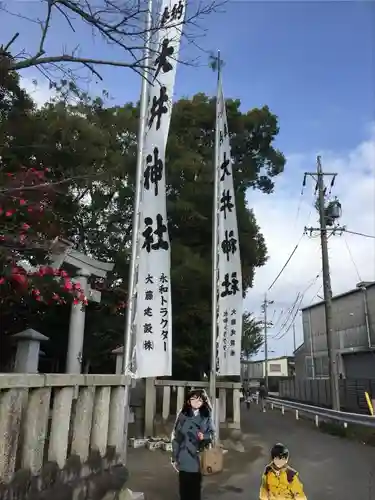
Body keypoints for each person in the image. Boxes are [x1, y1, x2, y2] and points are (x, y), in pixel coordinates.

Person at [171, 389, 215, 500]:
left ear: (203, 402)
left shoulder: (206, 416)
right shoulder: (183, 415)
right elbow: (177, 438)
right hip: (184, 454)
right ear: (188, 401)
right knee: (184, 487)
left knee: (195, 488)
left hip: (198, 456)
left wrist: (204, 436)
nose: (196, 402)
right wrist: (175, 457)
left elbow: (212, 435)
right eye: (193, 399)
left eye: (199, 400)